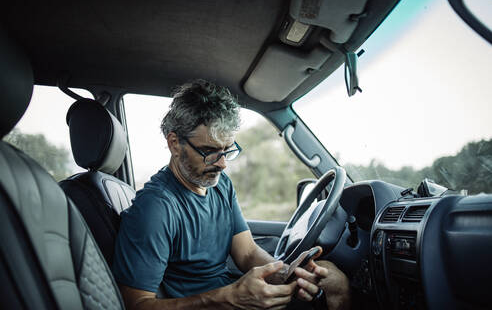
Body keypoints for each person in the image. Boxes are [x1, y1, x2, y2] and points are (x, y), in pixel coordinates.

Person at [112, 79, 350, 309]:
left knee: (333, 280)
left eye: (227, 150)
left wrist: (287, 273)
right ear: (175, 144)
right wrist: (227, 299)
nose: (223, 164)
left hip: (232, 296)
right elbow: (137, 304)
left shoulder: (220, 184)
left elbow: (246, 253)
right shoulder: (155, 209)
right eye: (210, 151)